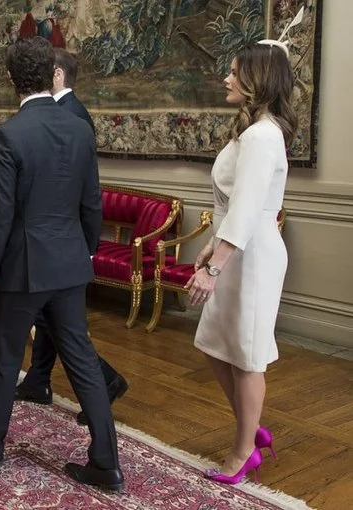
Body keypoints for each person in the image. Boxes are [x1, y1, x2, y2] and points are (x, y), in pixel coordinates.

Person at [0, 36, 124, 492]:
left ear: (10, 79)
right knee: (80, 358)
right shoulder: (80, 129)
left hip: (23, 268)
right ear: (52, 74)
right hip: (69, 264)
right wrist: (83, 254)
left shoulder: (9, 134)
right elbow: (92, 204)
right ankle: (106, 463)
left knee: (3, 359)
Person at [185, 41, 297, 484]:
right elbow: (236, 205)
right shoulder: (253, 131)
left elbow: (249, 209)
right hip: (236, 249)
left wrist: (214, 268)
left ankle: (242, 451)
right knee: (217, 344)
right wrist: (213, 246)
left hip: (254, 258)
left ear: (258, 79)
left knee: (247, 356)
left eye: (234, 72)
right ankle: (251, 431)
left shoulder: (263, 135)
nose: (226, 79)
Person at [15, 47, 128, 426]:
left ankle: (107, 379)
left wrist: (87, 248)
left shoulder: (72, 114)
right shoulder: (68, 112)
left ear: (57, 74)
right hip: (62, 240)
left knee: (62, 327)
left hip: (60, 239)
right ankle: (38, 380)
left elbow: (82, 191)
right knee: (50, 319)